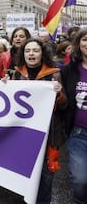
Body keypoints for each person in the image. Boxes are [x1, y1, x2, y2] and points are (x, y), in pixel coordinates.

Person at [8, 38, 66, 203]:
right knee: (25, 172)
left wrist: (59, 94)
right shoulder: (16, 74)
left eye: (35, 50)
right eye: (27, 51)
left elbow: (64, 105)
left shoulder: (55, 74)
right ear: (23, 54)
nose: (31, 54)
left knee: (45, 177)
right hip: (24, 133)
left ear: (42, 53)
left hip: (48, 136)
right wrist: (3, 86)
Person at [61, 28, 87, 203]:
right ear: (78, 44)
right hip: (78, 134)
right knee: (80, 180)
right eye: (85, 39)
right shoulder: (68, 70)